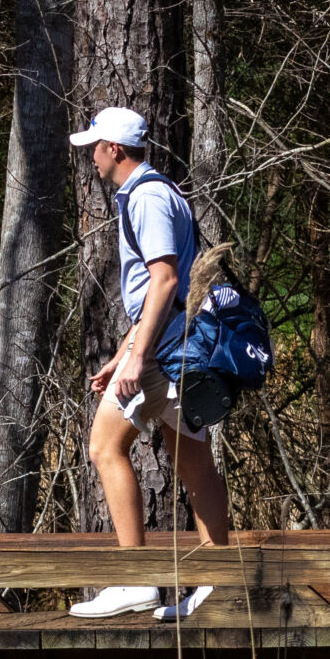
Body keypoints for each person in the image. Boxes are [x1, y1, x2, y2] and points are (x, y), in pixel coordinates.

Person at [66, 107, 231, 622]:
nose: (91, 157)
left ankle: (136, 579)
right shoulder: (158, 193)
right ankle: (219, 584)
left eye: (95, 148)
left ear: (114, 149)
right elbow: (161, 293)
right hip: (173, 347)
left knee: (104, 447)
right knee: (193, 462)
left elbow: (165, 280)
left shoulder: (147, 197)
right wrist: (120, 355)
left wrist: (136, 358)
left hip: (161, 353)